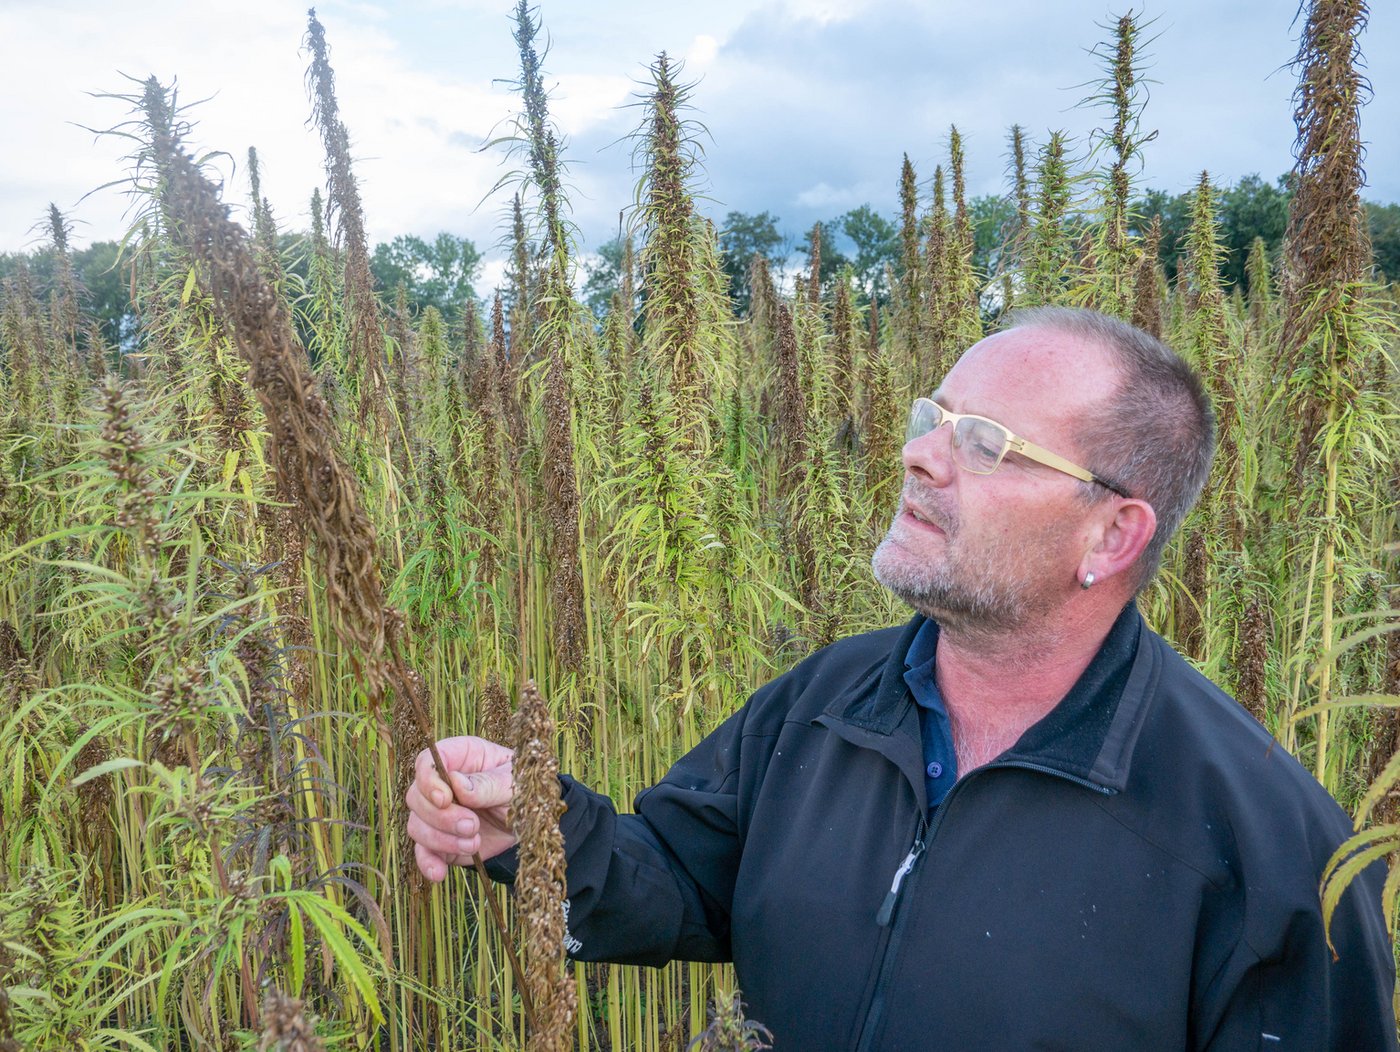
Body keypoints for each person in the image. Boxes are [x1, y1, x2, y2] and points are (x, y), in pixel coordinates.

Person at [406, 307, 1397, 1049]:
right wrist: (535, 829)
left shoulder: (1268, 851)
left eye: (984, 442)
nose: (918, 454)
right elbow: (684, 882)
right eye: (936, 416)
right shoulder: (829, 701)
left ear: (1109, 532)